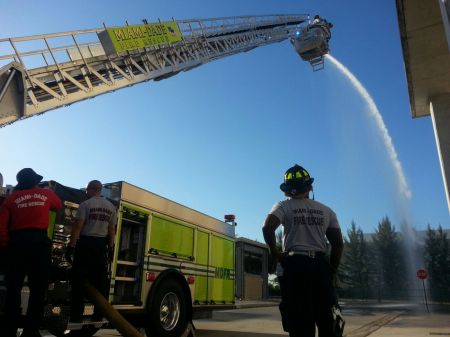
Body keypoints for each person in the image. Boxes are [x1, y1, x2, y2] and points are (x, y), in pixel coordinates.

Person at [262, 164, 343, 337]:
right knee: (325, 319)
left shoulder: (283, 206)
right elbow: (338, 244)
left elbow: (267, 228)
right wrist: (331, 270)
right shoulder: (327, 211)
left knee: (299, 320)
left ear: (287, 190)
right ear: (309, 187)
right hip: (320, 267)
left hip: (294, 266)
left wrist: (275, 253)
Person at [0, 168, 62, 337]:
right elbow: (58, 206)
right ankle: (31, 331)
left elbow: (2, 227)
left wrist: (6, 246)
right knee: (38, 290)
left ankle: (9, 330)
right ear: (35, 181)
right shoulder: (46, 194)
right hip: (39, 244)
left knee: (13, 289)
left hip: (16, 244)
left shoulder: (10, 199)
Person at [65, 180, 116, 322]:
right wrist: (111, 248)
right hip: (101, 247)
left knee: (79, 281)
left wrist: (71, 247)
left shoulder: (85, 204)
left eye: (87, 189)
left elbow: (78, 227)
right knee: (100, 283)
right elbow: (112, 230)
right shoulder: (111, 207)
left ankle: (76, 316)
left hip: (85, 244)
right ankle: (98, 314)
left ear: (92, 189)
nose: (86, 192)